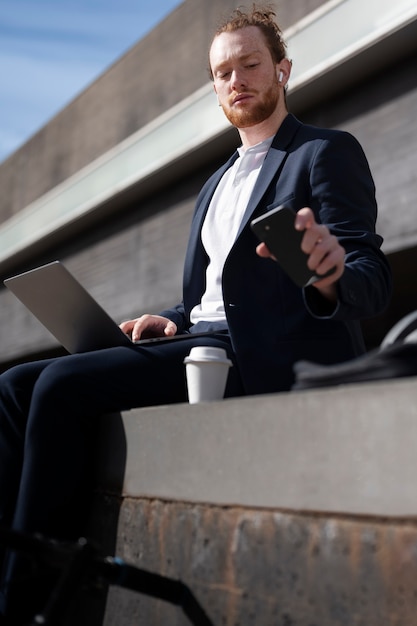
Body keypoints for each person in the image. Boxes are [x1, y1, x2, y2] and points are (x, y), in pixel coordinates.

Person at [0, 5, 391, 623]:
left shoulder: (324, 153)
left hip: (259, 356)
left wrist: (330, 271)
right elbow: (209, 295)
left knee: (58, 384)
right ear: (214, 87)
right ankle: (13, 562)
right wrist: (170, 318)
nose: (236, 80)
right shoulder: (215, 183)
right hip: (197, 340)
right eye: (222, 72)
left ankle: (27, 603)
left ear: (282, 70)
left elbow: (370, 281)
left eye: (250, 64)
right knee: (13, 383)